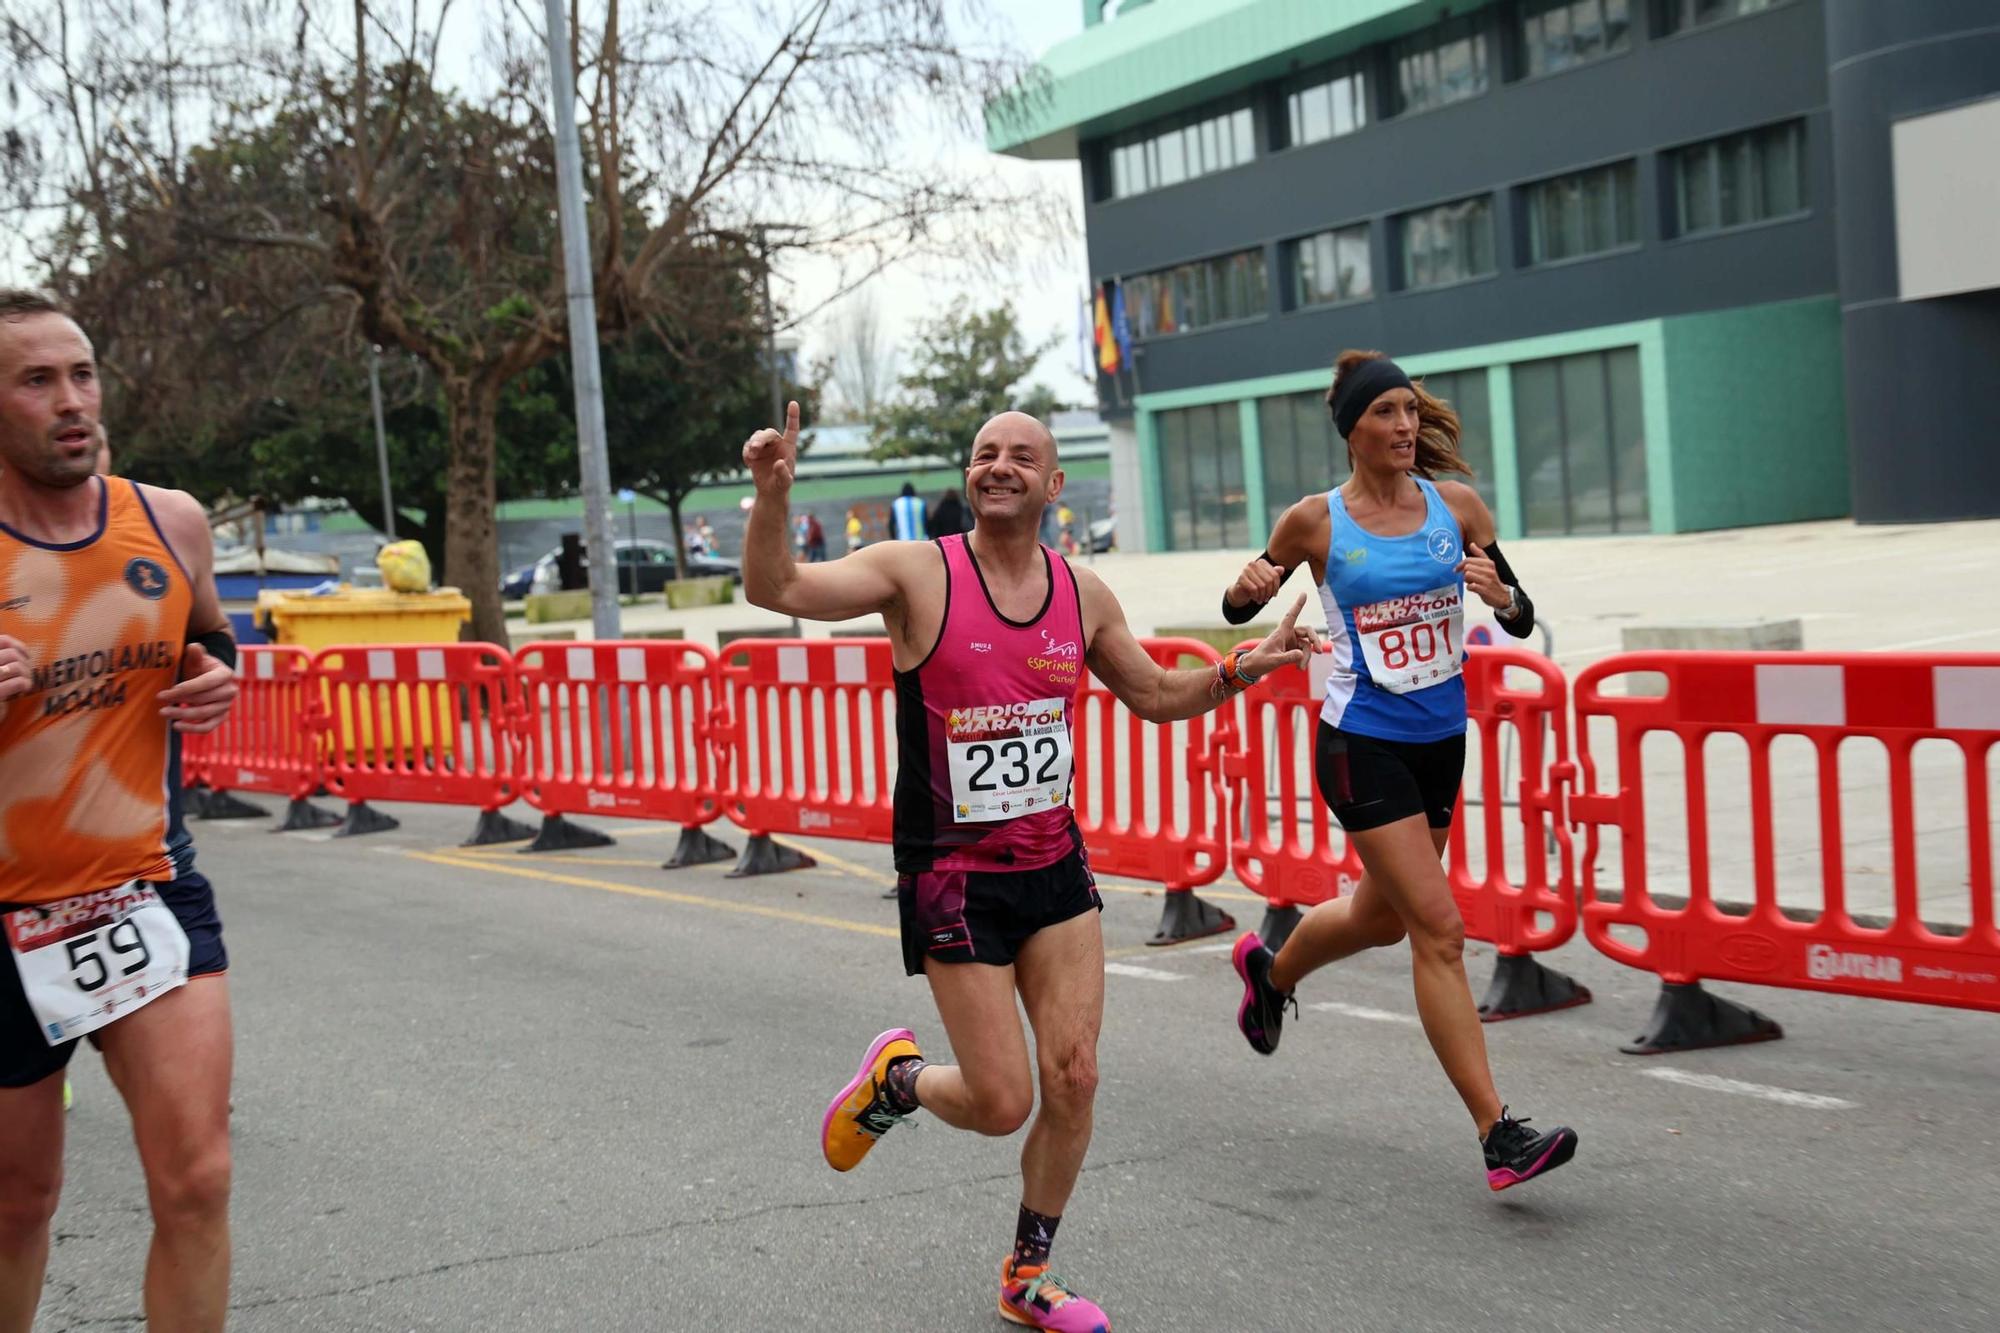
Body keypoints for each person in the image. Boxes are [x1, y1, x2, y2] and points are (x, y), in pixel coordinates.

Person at [742, 400, 1317, 1331]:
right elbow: (780, 590)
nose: (998, 465)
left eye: (1021, 456)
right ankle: (898, 1080)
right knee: (1004, 1099)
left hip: (1055, 871)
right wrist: (772, 497)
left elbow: (1156, 692)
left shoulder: (1080, 593)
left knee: (1077, 1075)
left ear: (1054, 486)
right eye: (983, 454)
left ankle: (1027, 1273)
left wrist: (1245, 665)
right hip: (952, 877)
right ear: (970, 479)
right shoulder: (914, 572)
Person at [1220, 349, 1575, 1193]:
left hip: (1439, 740)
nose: (1406, 426)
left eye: (1411, 411)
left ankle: (1271, 973)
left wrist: (1502, 597)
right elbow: (1244, 606)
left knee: (1380, 918)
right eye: (1386, 413)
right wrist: (1242, 592)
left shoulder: (1457, 507)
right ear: (1353, 430)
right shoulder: (1315, 522)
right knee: (1439, 930)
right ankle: (1498, 1133)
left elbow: (1521, 616)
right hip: (1360, 743)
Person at [0, 290, 242, 1331]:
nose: (72, 401)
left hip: (140, 888)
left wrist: (220, 675)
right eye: (36, 379)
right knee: (17, 1202)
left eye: (83, 373)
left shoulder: (169, 520)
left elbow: (215, 638)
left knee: (197, 1180)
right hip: (1, 918)